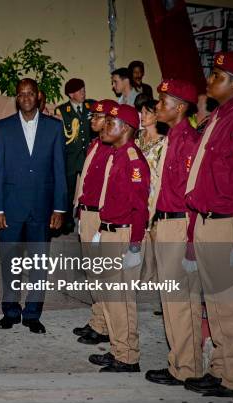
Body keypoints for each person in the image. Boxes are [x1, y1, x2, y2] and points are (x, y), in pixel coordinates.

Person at [183, 52, 233, 402]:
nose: (209, 80)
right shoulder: (218, 117)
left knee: (230, 306)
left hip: (227, 225)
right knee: (217, 304)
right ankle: (222, 369)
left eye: (218, 75)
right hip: (207, 222)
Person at [0, 78, 66, 334]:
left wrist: (59, 207)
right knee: (10, 262)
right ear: (16, 97)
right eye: (21, 93)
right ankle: (10, 311)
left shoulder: (54, 128)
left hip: (42, 209)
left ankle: (33, 313)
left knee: (39, 263)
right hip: (10, 209)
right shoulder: (3, 127)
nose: (25, 97)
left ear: (38, 96)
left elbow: (59, 170)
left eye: (30, 93)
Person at [144, 79, 203, 386]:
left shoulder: (189, 141)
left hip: (179, 225)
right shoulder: (173, 137)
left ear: (180, 107)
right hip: (165, 223)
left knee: (181, 302)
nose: (157, 106)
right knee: (172, 300)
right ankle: (182, 363)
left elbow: (192, 195)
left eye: (163, 102)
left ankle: (185, 368)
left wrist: (190, 238)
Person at [88, 104, 150, 373]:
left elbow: (140, 207)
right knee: (112, 299)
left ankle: (128, 357)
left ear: (125, 128)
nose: (104, 126)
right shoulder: (118, 155)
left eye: (110, 123)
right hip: (111, 230)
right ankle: (118, 349)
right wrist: (101, 231)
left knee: (122, 300)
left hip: (124, 235)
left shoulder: (133, 159)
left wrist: (135, 245)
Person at [72, 99, 116, 345]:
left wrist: (100, 223)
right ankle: (98, 319)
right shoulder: (94, 145)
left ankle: (107, 326)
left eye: (98, 117)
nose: (93, 120)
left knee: (102, 273)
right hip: (87, 213)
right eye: (93, 117)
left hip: (99, 215)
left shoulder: (112, 148)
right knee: (92, 272)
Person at [55, 78, 96, 234]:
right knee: (68, 191)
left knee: (89, 189)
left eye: (84, 89)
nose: (83, 93)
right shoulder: (61, 110)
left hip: (87, 157)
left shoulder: (90, 106)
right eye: (80, 91)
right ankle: (66, 221)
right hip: (70, 158)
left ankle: (87, 219)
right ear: (71, 94)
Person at [135, 98, 167, 285]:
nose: (142, 116)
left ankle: (157, 270)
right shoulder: (137, 137)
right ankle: (147, 270)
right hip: (139, 189)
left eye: (147, 113)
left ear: (156, 116)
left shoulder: (163, 141)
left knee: (153, 233)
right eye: (142, 112)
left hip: (155, 191)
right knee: (143, 233)